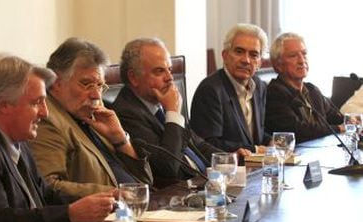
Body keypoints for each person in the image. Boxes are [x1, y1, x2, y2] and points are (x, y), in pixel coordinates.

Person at [0, 53, 115, 222]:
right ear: (4, 105)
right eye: (37, 103)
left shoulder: (17, 138)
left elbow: (46, 195)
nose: (45, 113)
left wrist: (100, 201)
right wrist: (69, 214)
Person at [29, 37, 152, 199]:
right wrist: (112, 194)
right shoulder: (47, 120)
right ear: (56, 83)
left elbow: (144, 183)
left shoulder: (96, 116)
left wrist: (121, 140)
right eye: (86, 84)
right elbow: (49, 185)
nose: (95, 94)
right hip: (100, 218)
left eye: (100, 85)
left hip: (134, 209)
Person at [112, 38, 221, 185]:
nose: (169, 78)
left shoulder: (160, 103)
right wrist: (173, 113)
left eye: (169, 70)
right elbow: (167, 166)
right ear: (133, 77)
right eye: (159, 71)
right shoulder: (126, 113)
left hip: (204, 182)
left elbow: (197, 144)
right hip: (178, 193)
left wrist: (227, 159)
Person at [190, 23, 271, 155]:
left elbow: (255, 135)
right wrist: (255, 150)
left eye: (253, 54)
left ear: (260, 63)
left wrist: (272, 142)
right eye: (239, 52)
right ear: (225, 55)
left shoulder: (259, 86)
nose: (246, 60)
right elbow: (208, 143)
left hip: (253, 168)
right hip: (224, 171)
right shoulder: (210, 90)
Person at [265, 32, 344, 143]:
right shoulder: (274, 93)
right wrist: (338, 129)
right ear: (278, 64)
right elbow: (297, 131)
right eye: (293, 55)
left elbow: (336, 117)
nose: (302, 61)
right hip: (292, 156)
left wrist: (352, 122)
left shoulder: (312, 90)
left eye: (304, 54)